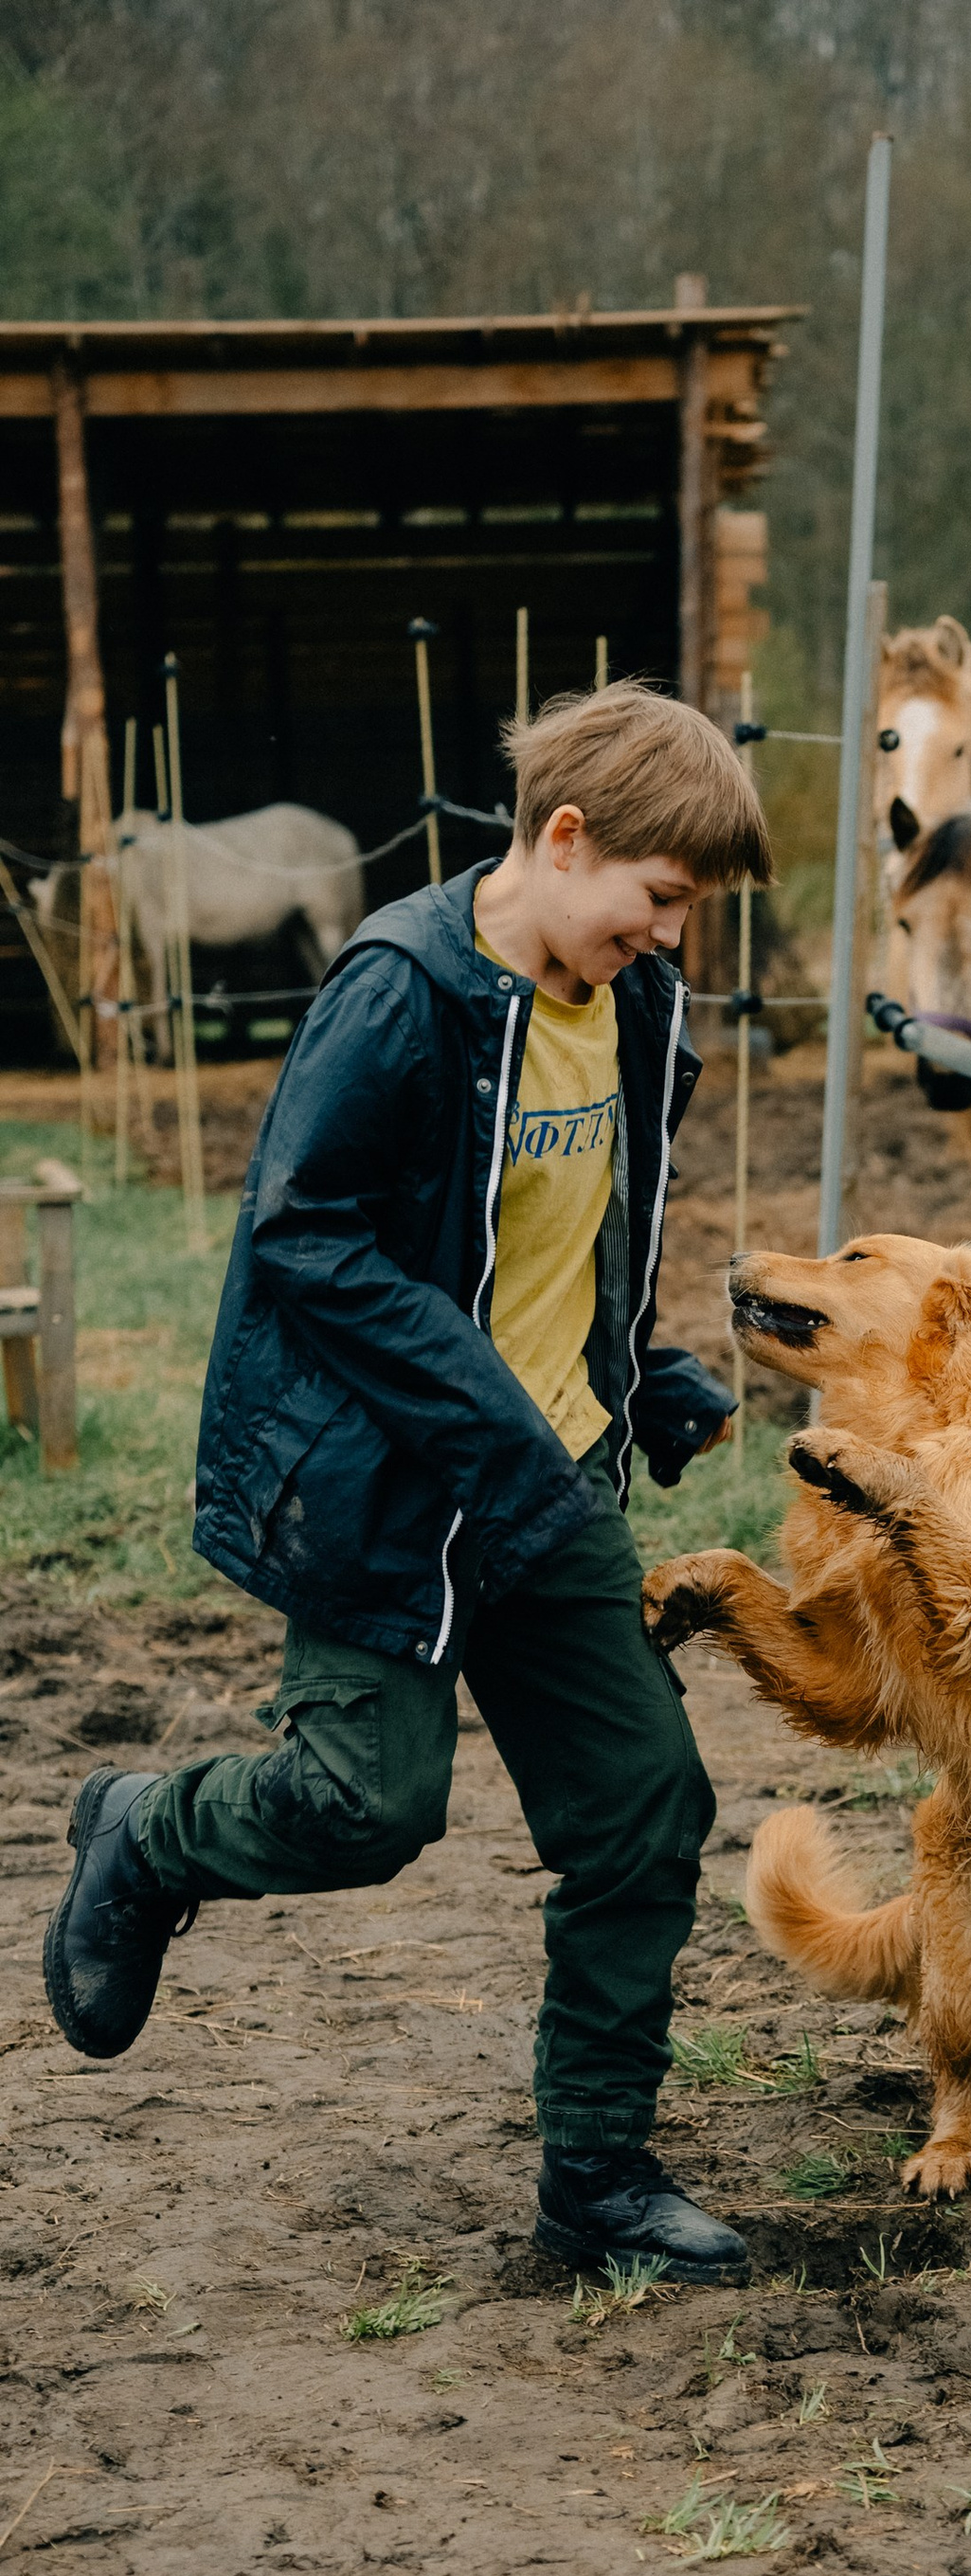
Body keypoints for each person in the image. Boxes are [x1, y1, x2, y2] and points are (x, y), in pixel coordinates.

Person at [43, 681, 770, 2284]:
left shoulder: (634, 1007)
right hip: (389, 1485)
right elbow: (307, 1236)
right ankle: (150, 1835)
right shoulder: (402, 988)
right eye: (658, 902)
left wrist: (641, 1374)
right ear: (564, 838)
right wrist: (487, 1412)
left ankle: (597, 2185)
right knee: (366, 1808)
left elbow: (582, 1225)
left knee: (645, 1811)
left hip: (548, 1481)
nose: (668, 939)